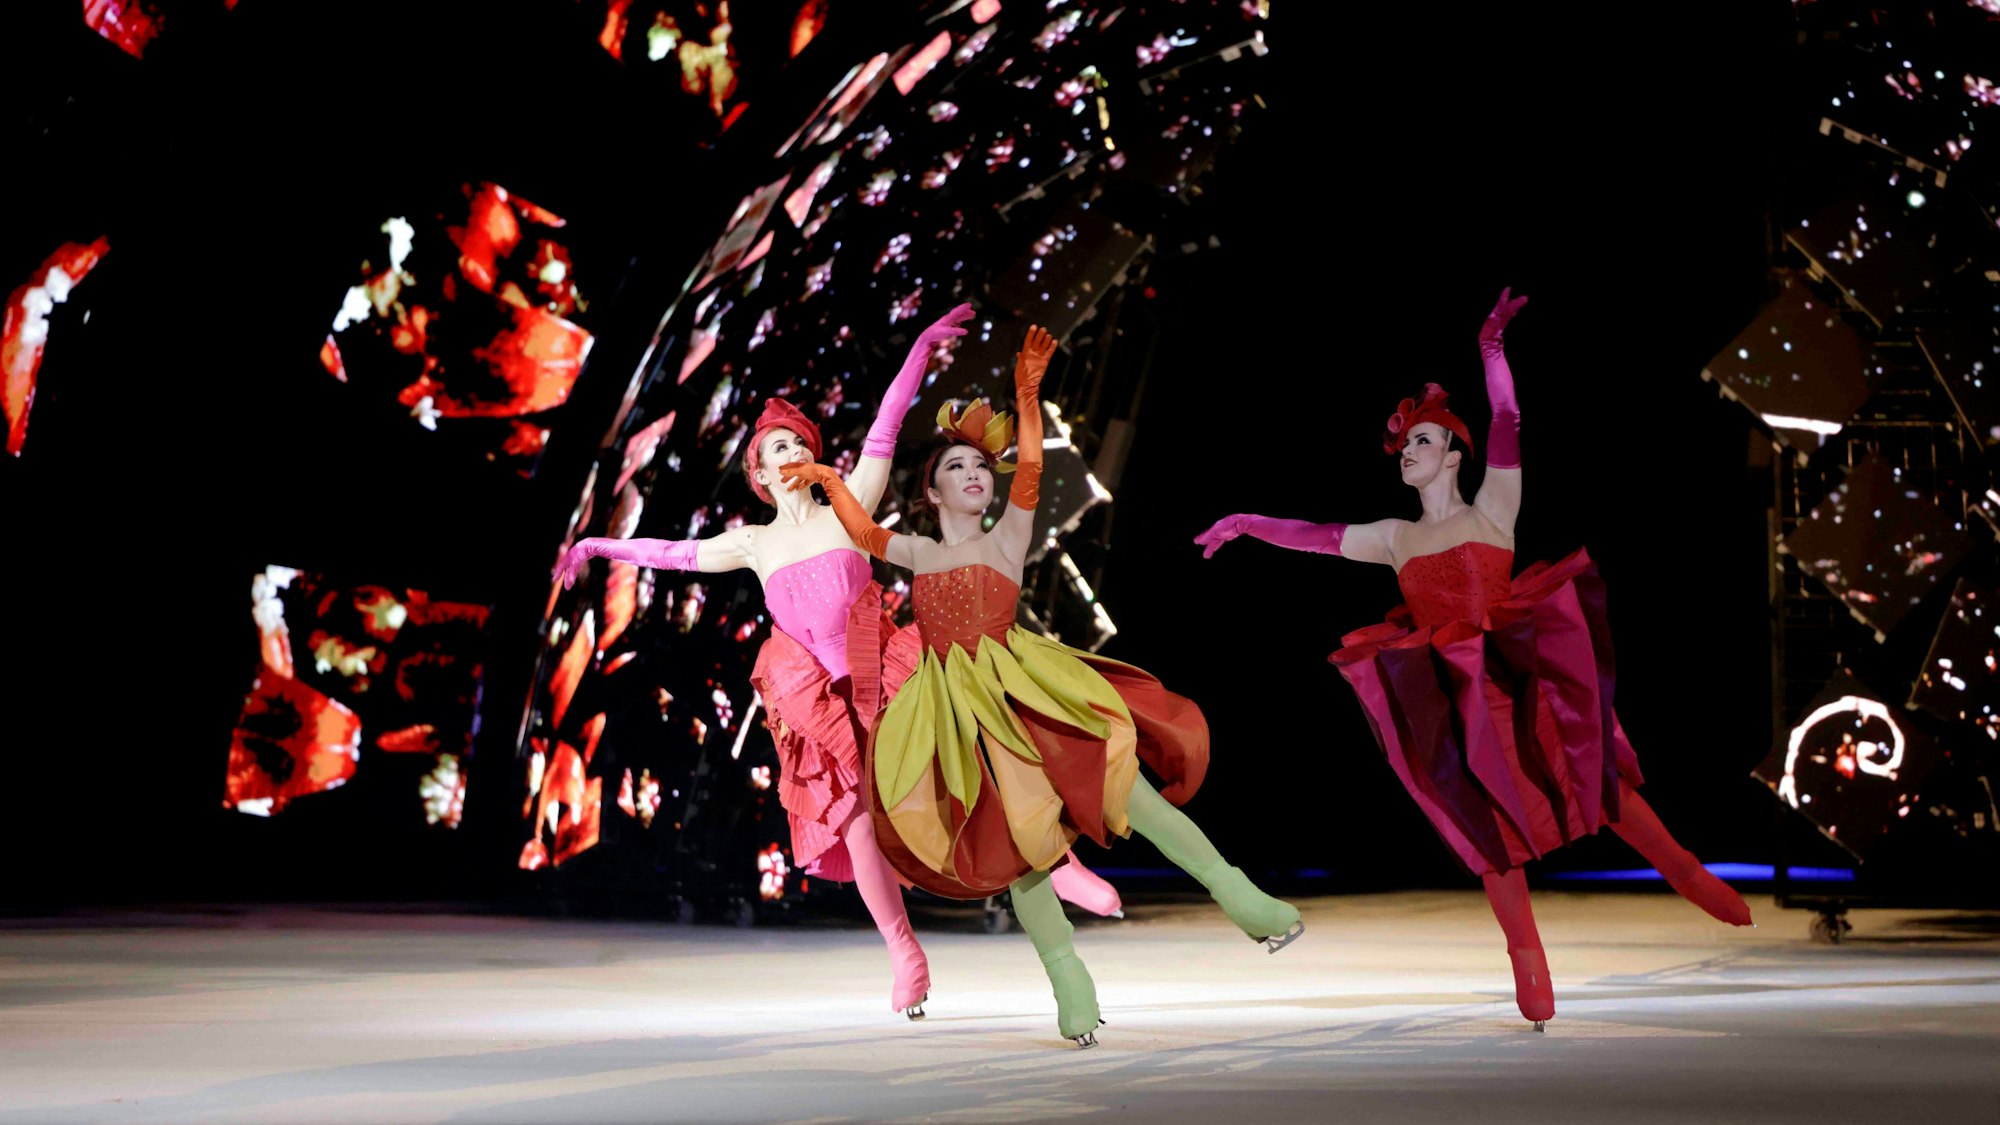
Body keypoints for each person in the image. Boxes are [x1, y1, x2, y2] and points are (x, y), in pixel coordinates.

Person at [1193, 287, 1752, 1030]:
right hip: (1457, 694)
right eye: (1404, 446)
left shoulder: (1494, 508)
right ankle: (1527, 956)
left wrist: (1492, 349)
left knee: (1593, 781)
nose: (1407, 453)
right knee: (1484, 821)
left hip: (1519, 675)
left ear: (1454, 452)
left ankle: (1685, 869)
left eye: (1422, 442)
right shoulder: (1395, 536)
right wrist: (1247, 523)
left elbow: (1511, 420)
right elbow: (1319, 535)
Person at [556, 305, 1122, 1019]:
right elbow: (670, 554)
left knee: (971, 766)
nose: (789, 455)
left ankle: (1058, 865)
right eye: (776, 449)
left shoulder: (851, 503)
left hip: (886, 668)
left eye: (799, 444)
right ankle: (904, 954)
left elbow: (885, 427)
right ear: (759, 470)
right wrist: (597, 547)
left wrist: (917, 348)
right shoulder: (752, 542)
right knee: (856, 821)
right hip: (820, 695)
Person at [779, 324, 1303, 1048]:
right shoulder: (918, 550)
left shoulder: (1006, 536)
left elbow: (1029, 463)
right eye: (956, 466)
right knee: (1016, 852)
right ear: (931, 490)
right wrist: (832, 483)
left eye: (978, 467)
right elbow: (865, 533)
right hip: (957, 717)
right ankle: (1067, 975)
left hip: (1027, 689)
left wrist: (1028, 392)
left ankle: (1241, 895)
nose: (973, 474)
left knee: (1130, 793)